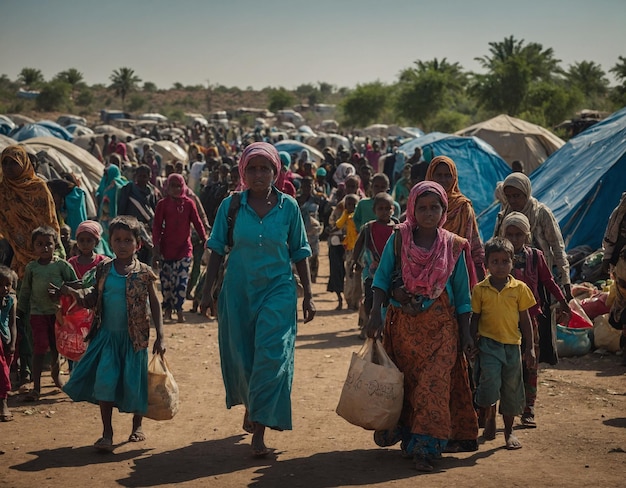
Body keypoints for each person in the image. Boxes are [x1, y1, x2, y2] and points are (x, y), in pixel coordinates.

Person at [199, 141, 315, 458]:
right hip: (237, 290)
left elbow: (300, 251)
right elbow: (217, 249)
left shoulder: (289, 206)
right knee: (244, 357)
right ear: (243, 171)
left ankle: (260, 428)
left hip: (278, 288)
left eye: (265, 168)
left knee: (272, 354)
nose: (259, 174)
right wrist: (208, 290)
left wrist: (308, 295)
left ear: (276, 172)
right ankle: (253, 405)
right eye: (252, 168)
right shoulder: (231, 205)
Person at [365, 181, 478, 472]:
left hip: (442, 329)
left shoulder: (453, 245)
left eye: (435, 207)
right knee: (410, 386)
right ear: (412, 208)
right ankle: (411, 439)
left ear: (443, 210)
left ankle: (426, 449)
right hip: (404, 327)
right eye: (422, 207)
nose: (429, 213)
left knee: (433, 387)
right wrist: (375, 312)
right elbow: (382, 276)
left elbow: (463, 296)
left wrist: (466, 332)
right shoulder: (400, 238)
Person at [60, 215, 166, 452]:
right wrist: (72, 293)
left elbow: (155, 302)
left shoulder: (144, 272)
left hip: (134, 339)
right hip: (107, 337)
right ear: (110, 242)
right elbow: (91, 299)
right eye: (117, 240)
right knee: (105, 383)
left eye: (128, 240)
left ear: (138, 244)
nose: (122, 245)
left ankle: (136, 426)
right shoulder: (103, 270)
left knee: (134, 383)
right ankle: (107, 433)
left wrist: (161, 334)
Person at [501, 212, 570, 426]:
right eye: (510, 234)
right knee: (509, 365)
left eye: (518, 234)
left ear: (527, 236)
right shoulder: (500, 256)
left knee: (530, 365)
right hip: (504, 321)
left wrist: (564, 302)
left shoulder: (535, 256)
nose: (514, 239)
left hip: (530, 320)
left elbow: (548, 281)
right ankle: (508, 408)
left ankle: (528, 409)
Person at [470, 237, 537, 450]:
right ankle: (489, 416)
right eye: (495, 261)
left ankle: (509, 432)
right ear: (486, 264)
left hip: (512, 346)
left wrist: (530, 347)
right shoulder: (480, 289)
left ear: (512, 262)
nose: (500, 266)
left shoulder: (520, 288)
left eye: (505, 261)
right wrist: (470, 342)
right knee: (488, 387)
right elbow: (475, 318)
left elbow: (525, 320)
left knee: (511, 389)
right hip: (488, 345)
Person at [18, 226, 78, 402]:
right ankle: (36, 387)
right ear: (33, 247)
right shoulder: (32, 268)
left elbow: (75, 284)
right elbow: (26, 291)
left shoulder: (61, 265)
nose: (44, 248)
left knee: (56, 347)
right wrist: (21, 311)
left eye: (48, 244)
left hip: (58, 313)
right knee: (40, 347)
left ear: (55, 245)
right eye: (40, 244)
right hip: (37, 313)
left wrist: (61, 291)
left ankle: (55, 375)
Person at [152, 174, 208, 323]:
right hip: (166, 250)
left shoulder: (189, 204)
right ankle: (168, 310)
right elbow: (157, 226)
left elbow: (197, 222)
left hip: (184, 250)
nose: (176, 189)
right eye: (173, 186)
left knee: (181, 282)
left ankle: (179, 309)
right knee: (167, 283)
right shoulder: (162, 205)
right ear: (167, 187)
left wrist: (205, 240)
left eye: (179, 186)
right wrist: (156, 246)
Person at [426, 155, 486, 280]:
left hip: (458, 272)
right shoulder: (422, 203)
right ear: (431, 175)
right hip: (425, 269)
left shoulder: (462, 206)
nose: (443, 179)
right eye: (439, 175)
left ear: (454, 177)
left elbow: (473, 243)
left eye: (448, 175)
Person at [351, 192, 397, 338]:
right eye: (380, 208)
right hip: (372, 271)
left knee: (390, 300)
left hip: (392, 272)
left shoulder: (398, 228)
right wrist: (355, 261)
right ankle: (368, 322)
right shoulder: (369, 228)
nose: (384, 212)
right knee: (371, 298)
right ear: (374, 210)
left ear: (393, 209)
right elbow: (358, 245)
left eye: (387, 208)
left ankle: (386, 328)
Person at [117, 165, 161, 265]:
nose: (142, 179)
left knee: (146, 256)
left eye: (145, 176)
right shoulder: (129, 189)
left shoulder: (151, 192)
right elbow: (122, 207)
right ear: (136, 176)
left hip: (147, 231)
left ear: (150, 177)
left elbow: (153, 211)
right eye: (140, 176)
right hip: (131, 228)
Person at [296, 177, 328, 283]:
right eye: (305, 186)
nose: (307, 188)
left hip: (313, 232)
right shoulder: (297, 200)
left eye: (309, 186)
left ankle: (313, 275)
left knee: (314, 253)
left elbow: (324, 212)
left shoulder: (317, 200)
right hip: (300, 231)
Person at [336, 194, 361, 311]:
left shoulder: (357, 217)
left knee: (359, 277)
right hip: (350, 250)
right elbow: (339, 224)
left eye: (354, 204)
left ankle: (357, 301)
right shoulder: (347, 216)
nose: (351, 206)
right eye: (349, 204)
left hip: (360, 249)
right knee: (350, 276)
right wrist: (345, 213)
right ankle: (350, 301)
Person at [0, 265, 17, 421]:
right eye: (0, 284)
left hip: (6, 339)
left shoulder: (10, 301)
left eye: (8, 284)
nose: (4, 288)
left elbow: (12, 324)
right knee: (3, 371)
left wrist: (12, 344)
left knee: (5, 369)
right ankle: (3, 404)